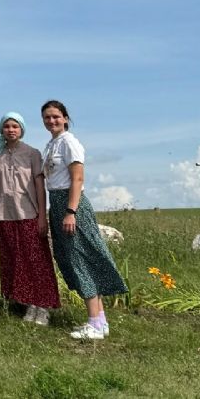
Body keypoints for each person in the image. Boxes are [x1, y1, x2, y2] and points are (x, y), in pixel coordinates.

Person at [42, 100, 128, 340]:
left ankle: (94, 322)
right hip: (57, 202)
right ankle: (99, 321)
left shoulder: (69, 143)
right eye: (47, 118)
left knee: (80, 258)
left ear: (66, 118)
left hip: (70, 203)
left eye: (56, 117)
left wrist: (71, 211)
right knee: (73, 257)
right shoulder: (52, 144)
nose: (52, 121)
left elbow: (77, 179)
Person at [0, 111, 59, 326]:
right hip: (4, 215)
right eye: (7, 126)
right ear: (2, 129)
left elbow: (39, 186)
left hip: (29, 213)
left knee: (36, 259)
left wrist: (42, 217)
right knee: (14, 258)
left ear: (22, 130)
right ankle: (26, 302)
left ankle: (42, 306)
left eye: (15, 126)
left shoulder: (32, 154)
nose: (11, 130)